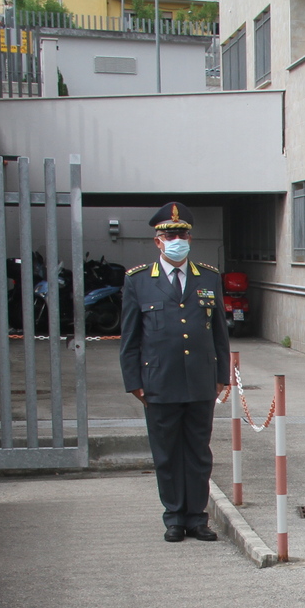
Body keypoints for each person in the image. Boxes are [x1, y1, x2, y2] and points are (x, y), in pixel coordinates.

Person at [119, 202, 230, 542]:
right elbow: (130, 338)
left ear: (190, 239)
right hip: (160, 382)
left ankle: (197, 517)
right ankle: (174, 517)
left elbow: (218, 333)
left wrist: (222, 376)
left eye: (181, 234)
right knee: (167, 454)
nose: (176, 240)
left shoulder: (208, 277)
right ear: (158, 241)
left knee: (198, 452)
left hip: (200, 381)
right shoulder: (138, 281)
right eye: (169, 235)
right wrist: (134, 383)